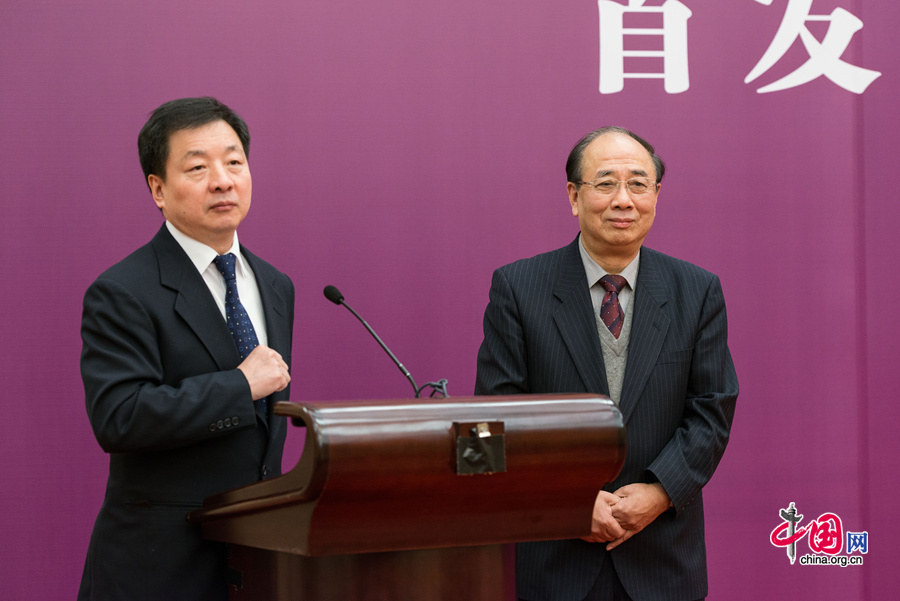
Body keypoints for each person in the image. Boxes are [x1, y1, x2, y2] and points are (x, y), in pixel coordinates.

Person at [475, 127, 738, 601]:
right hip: (557, 559)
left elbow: (711, 411)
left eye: (638, 184)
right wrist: (569, 502)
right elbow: (499, 417)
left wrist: (658, 493)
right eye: (605, 184)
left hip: (663, 561)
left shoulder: (696, 291)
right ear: (574, 197)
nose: (623, 199)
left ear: (656, 195)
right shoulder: (518, 288)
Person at [78, 97, 295, 601]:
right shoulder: (123, 291)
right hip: (159, 569)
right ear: (158, 188)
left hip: (256, 562)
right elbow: (120, 417)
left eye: (234, 161)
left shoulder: (274, 285)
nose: (222, 180)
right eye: (198, 167)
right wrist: (240, 385)